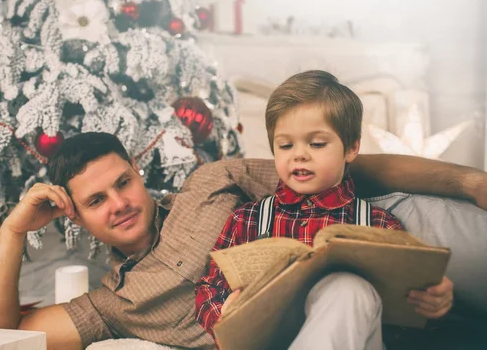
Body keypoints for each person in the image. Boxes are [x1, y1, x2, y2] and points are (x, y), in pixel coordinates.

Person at [0, 128, 487, 350]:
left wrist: (468, 182)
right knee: (347, 293)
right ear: (77, 217)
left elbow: (350, 171)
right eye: (97, 200)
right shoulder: (117, 304)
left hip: (395, 223)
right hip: (350, 296)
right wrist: (14, 229)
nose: (120, 203)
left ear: (138, 172)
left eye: (123, 183)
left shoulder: (211, 182)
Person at [194, 71, 453, 349]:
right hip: (268, 339)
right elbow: (208, 289)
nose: (299, 154)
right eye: (285, 145)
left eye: (317, 144)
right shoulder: (247, 219)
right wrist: (224, 312)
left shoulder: (379, 225)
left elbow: (405, 319)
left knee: (348, 289)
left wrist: (433, 303)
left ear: (352, 147)